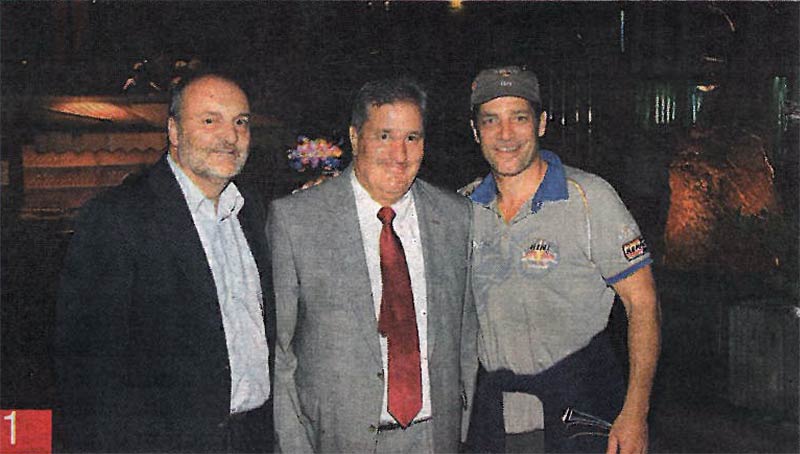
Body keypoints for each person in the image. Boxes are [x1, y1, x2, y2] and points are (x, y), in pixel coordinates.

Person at [54, 72, 274, 453]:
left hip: (252, 440)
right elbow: (86, 371)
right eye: (210, 120)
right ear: (173, 130)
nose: (230, 136)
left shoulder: (252, 212)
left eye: (240, 122)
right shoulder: (118, 218)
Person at [268, 78, 478, 453]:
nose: (400, 153)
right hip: (339, 441)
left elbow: (466, 336)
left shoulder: (457, 217)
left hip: (435, 437)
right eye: (384, 136)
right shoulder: (296, 221)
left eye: (412, 137)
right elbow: (281, 355)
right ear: (355, 137)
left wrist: (460, 430)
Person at [461, 66, 660, 453]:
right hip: (493, 414)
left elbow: (643, 303)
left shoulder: (589, 198)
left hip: (579, 405)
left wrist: (636, 412)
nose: (505, 134)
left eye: (519, 118)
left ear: (541, 124)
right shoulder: (463, 208)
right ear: (475, 131)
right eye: (491, 120)